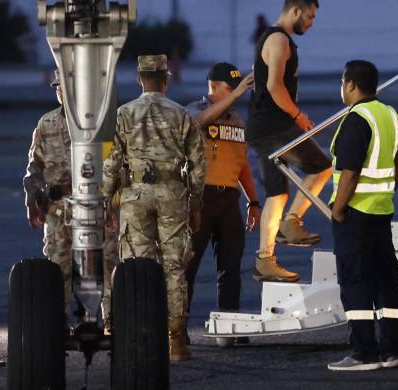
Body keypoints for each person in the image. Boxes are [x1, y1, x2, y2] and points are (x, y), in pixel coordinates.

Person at [102, 55, 206, 361]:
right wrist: (195, 204)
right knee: (174, 267)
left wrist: (107, 201)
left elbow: (111, 162)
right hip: (172, 192)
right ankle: (176, 341)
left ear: (138, 79)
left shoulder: (123, 114)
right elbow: (199, 164)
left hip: (134, 195)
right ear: (166, 77)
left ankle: (141, 335)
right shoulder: (182, 114)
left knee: (136, 267)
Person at [327, 60, 398, 371]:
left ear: (350, 85)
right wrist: (388, 189)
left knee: (356, 280)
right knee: (387, 279)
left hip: (355, 212)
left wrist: (338, 208)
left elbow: (350, 171)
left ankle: (363, 352)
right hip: (381, 210)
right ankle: (390, 349)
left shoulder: (356, 120)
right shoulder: (392, 116)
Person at [23, 70, 118, 328]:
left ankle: (111, 317)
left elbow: (116, 163)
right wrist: (31, 196)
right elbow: (35, 166)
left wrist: (113, 202)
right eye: (58, 87)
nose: (60, 92)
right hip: (58, 208)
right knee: (57, 265)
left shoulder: (100, 122)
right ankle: (58, 321)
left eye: (66, 87)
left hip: (95, 204)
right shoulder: (46, 124)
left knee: (107, 263)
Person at [247, 0, 332, 283]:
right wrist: (298, 116)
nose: (311, 22)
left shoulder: (270, 38)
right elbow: (274, 86)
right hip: (274, 128)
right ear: (295, 11)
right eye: (309, 16)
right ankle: (292, 223)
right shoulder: (279, 40)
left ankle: (265, 260)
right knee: (322, 167)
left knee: (276, 194)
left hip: (263, 127)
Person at [185, 63, 260, 334]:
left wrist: (253, 201)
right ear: (213, 86)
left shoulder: (236, 119)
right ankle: (177, 330)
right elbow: (199, 122)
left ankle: (229, 326)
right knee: (187, 267)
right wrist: (236, 94)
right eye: (231, 87)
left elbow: (242, 164)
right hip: (200, 197)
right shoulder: (195, 109)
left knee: (230, 268)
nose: (237, 93)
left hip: (229, 199)